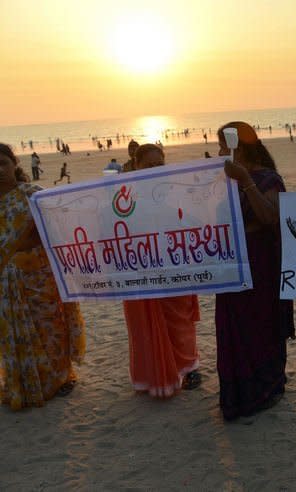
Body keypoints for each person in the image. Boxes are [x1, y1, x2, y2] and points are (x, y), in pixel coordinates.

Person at [215, 122, 295, 422]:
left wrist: (245, 179)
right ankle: (237, 392)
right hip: (231, 263)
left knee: (260, 325)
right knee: (234, 327)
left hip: (261, 263)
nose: (221, 152)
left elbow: (271, 217)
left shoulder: (267, 178)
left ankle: (266, 388)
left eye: (224, 145)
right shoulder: (222, 180)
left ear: (240, 145)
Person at [0, 143, 86, 410]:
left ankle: (59, 378)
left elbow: (58, 229)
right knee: (12, 334)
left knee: (50, 326)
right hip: (6, 282)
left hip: (41, 276)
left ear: (15, 164)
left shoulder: (34, 196)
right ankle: (23, 381)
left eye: (3, 163)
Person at [120, 144, 202, 398]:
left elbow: (192, 222)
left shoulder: (174, 192)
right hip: (140, 274)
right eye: (149, 165)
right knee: (144, 327)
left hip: (174, 269)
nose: (156, 170)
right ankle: (151, 376)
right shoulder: (124, 200)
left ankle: (188, 367)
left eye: (160, 165)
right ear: (136, 166)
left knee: (180, 323)